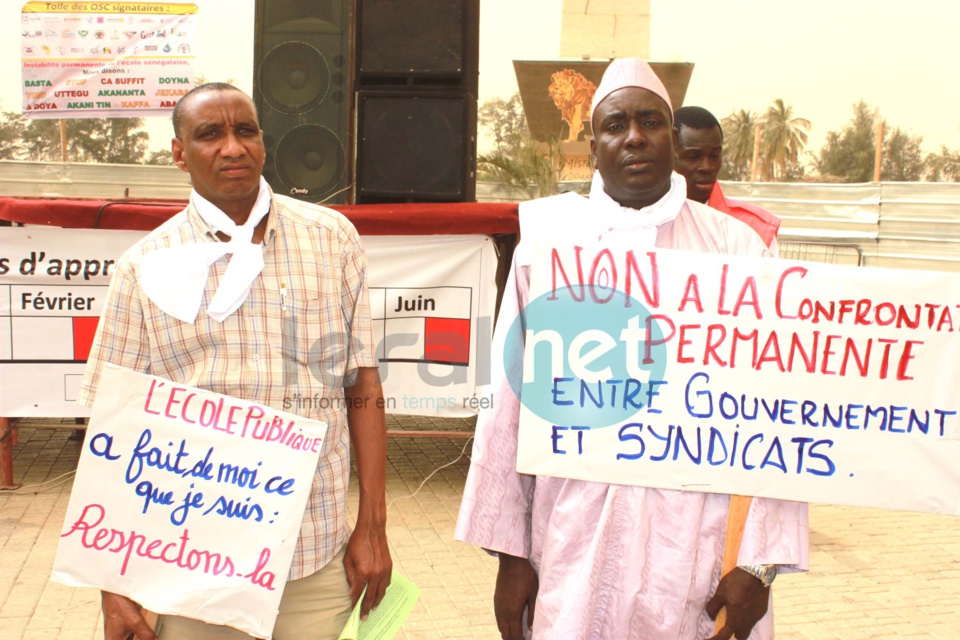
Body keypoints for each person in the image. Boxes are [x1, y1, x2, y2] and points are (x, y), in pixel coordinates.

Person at [455, 59, 808, 640]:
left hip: (700, 547)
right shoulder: (547, 246)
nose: (635, 136)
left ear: (673, 137)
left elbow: (780, 414)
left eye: (651, 121)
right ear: (592, 144)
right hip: (570, 538)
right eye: (616, 124)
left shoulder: (736, 250)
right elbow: (509, 408)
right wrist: (510, 554)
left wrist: (759, 565)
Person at [77, 82, 392, 640]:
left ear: (264, 144)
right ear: (179, 154)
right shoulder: (143, 267)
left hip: (313, 556)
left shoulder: (332, 239)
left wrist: (372, 525)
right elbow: (113, 426)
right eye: (210, 134)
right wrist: (114, 582)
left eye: (245, 130)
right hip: (190, 560)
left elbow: (362, 385)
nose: (232, 147)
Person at [673, 105, 781, 249]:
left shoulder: (757, 228)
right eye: (693, 157)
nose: (707, 167)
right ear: (669, 155)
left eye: (715, 156)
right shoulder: (647, 223)